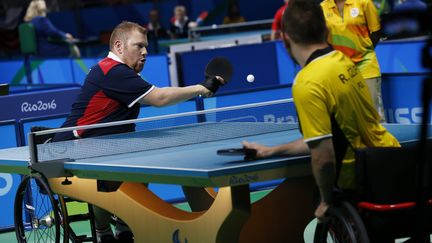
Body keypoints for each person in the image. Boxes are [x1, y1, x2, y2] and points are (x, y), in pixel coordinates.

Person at [52, 21, 225, 243]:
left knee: (142, 160)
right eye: (139, 46)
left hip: (107, 145)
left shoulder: (122, 73)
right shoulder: (111, 71)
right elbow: (160, 98)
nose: (145, 52)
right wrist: (201, 88)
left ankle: (124, 226)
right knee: (109, 174)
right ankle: (103, 231)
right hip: (72, 149)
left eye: (146, 47)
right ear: (119, 46)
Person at [242, 0, 399, 229]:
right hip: (392, 162)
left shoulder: (307, 82)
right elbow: (332, 135)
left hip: (359, 180)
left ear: (285, 40)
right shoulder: (344, 62)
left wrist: (326, 201)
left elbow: (323, 157)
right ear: (326, 31)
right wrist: (270, 151)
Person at [321, 0, 385, 121]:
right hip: (340, 68)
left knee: (373, 114)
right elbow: (323, 39)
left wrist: (363, 50)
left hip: (366, 63)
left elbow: (376, 31)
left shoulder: (364, 3)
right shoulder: (322, 8)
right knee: (348, 116)